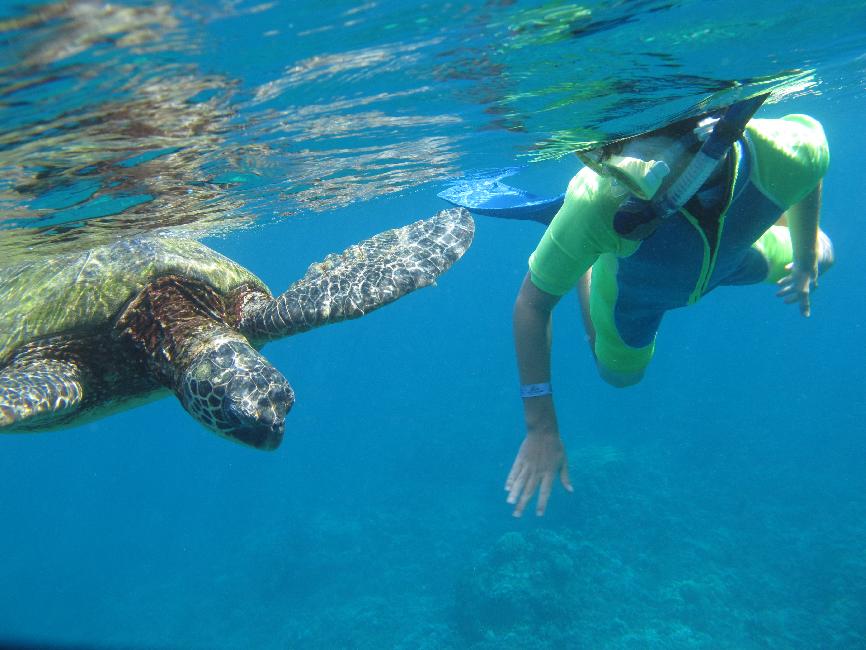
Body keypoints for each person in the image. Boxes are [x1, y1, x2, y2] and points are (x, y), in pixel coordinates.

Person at [504, 98, 833, 517]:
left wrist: (804, 260)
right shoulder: (599, 201)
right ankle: (588, 261)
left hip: (731, 257)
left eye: (642, 177)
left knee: (824, 254)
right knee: (619, 376)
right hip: (636, 292)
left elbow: (811, 167)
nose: (626, 195)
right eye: (613, 168)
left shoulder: (785, 148)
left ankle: (585, 247)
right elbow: (532, 304)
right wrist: (541, 428)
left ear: (710, 142)